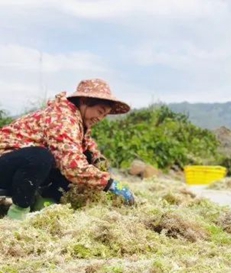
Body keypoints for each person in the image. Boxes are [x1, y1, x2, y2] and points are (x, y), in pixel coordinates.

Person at [0, 78, 135, 220]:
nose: (100, 118)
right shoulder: (62, 119)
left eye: (104, 115)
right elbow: (73, 167)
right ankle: (18, 212)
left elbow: (87, 145)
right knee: (41, 156)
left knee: (86, 156)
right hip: (6, 164)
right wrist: (109, 184)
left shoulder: (80, 122)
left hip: (20, 171)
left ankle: (45, 201)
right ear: (84, 101)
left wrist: (98, 160)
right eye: (99, 111)